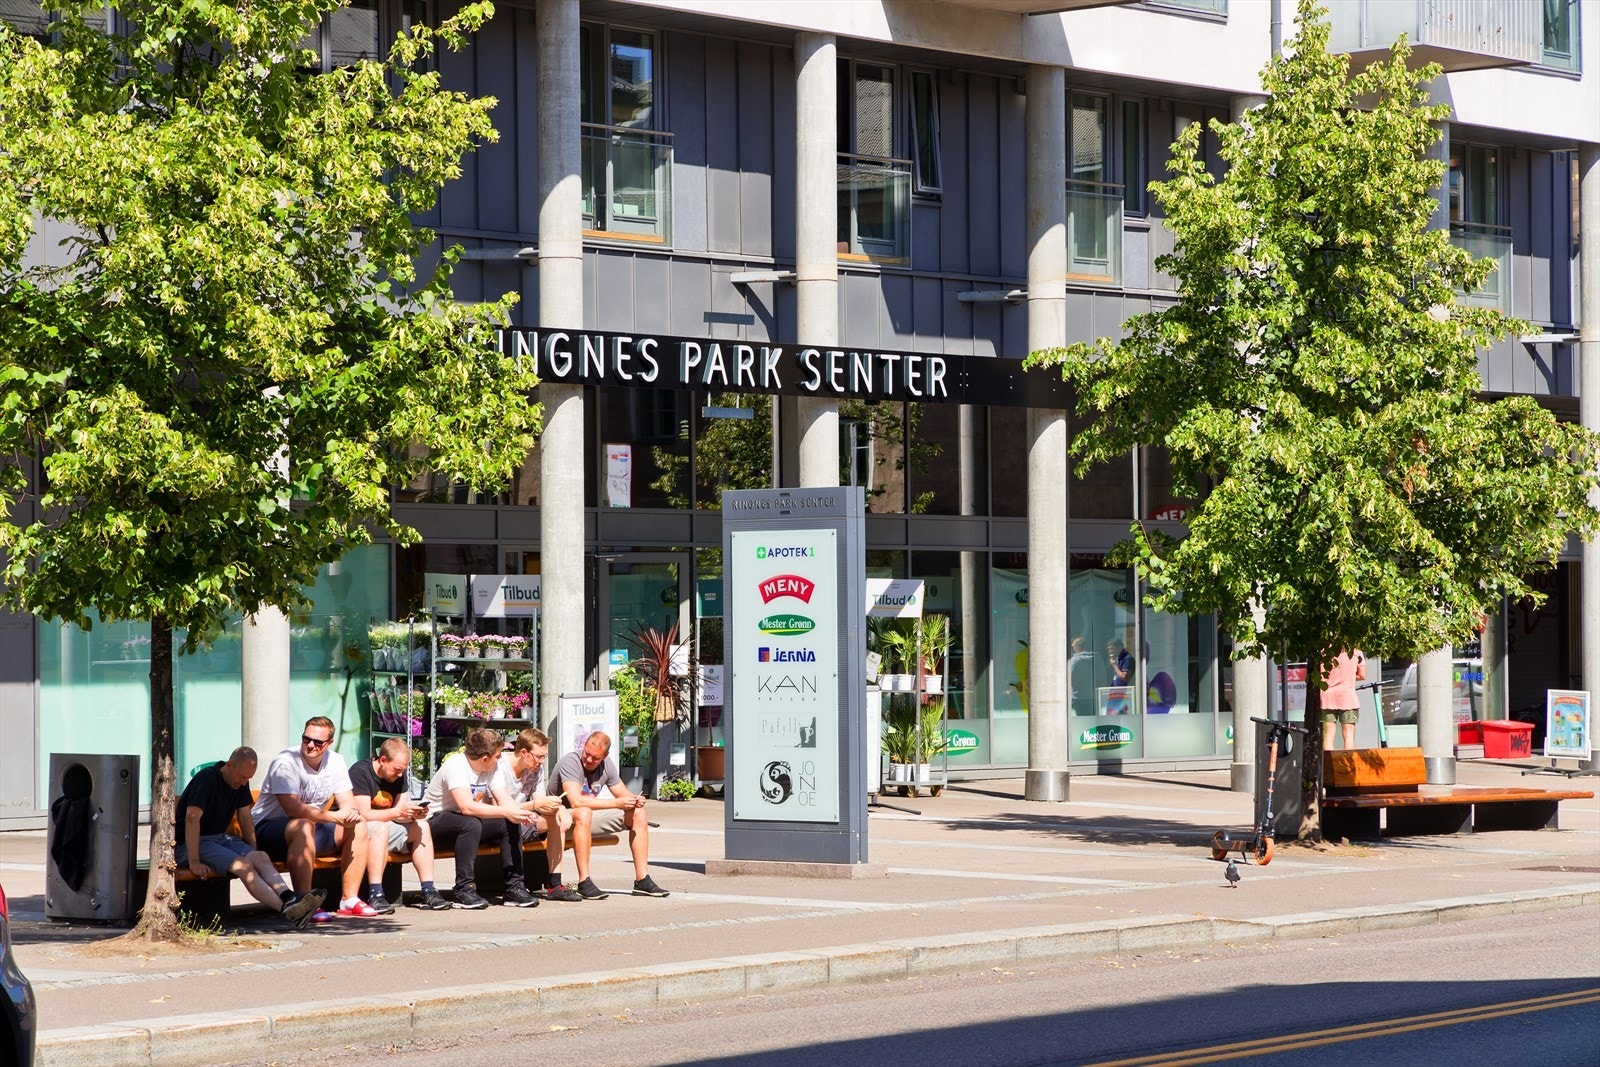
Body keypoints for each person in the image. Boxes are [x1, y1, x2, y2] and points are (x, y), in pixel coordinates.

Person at [175, 747, 325, 927]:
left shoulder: (239, 782)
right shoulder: (207, 778)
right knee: (243, 866)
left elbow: (246, 818)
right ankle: (288, 911)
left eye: (249, 778)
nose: (244, 782)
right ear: (230, 765)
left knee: (260, 857)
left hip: (218, 838)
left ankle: (289, 897)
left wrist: (252, 850)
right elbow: (192, 819)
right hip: (190, 843)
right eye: (242, 777)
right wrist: (194, 861)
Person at [250, 716, 376, 920]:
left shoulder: (335, 761)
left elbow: (348, 803)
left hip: (309, 830)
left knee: (359, 824)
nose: (310, 745)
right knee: (303, 825)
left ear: (329, 743)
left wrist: (351, 814)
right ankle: (304, 901)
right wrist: (334, 816)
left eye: (318, 742)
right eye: (306, 739)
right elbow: (292, 808)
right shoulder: (285, 762)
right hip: (265, 832)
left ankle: (349, 899)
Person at [423, 728, 538, 909]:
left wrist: (519, 813)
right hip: (433, 824)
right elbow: (466, 807)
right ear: (485, 758)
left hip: (465, 825)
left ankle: (514, 887)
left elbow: (504, 799)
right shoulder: (456, 765)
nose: (501, 759)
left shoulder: (492, 768)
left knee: (509, 820)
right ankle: (464, 890)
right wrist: (507, 811)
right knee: (471, 822)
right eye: (498, 755)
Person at [548, 731, 669, 899]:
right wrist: (616, 804)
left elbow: (622, 794)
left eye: (595, 758)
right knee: (583, 812)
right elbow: (576, 801)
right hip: (557, 821)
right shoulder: (571, 762)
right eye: (587, 754)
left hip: (583, 819)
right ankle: (584, 881)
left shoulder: (607, 765)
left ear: (605, 756)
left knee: (638, 814)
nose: (589, 759)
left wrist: (634, 800)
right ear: (584, 747)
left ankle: (642, 880)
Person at [349, 739, 449, 913]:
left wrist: (412, 815)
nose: (400, 775)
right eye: (397, 770)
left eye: (403, 770)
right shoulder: (360, 772)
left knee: (422, 826)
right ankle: (376, 894)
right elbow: (363, 814)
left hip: (386, 827)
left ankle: (429, 890)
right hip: (360, 831)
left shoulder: (399, 776)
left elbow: (399, 812)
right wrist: (398, 813)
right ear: (383, 760)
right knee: (380, 827)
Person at [497, 728, 583, 902]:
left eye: (544, 756)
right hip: (499, 823)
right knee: (513, 821)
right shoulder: (499, 767)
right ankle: (515, 885)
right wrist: (535, 805)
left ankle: (555, 884)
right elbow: (499, 808)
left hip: (523, 820)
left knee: (555, 818)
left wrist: (559, 809)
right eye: (539, 756)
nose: (541, 761)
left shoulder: (536, 770)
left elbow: (541, 801)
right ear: (523, 752)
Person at [1321, 650, 1367, 750]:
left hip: (1328, 697)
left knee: (1328, 734)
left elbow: (1320, 675)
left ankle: (1329, 764)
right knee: (1349, 736)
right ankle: (1347, 764)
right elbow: (1362, 675)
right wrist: (1348, 677)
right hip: (1348, 697)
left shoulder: (1324, 651)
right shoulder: (1356, 651)